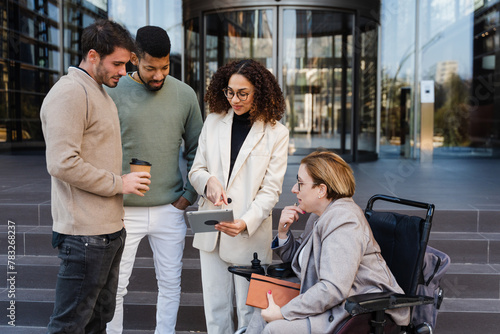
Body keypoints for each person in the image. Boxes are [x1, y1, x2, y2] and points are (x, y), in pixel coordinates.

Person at [40, 19, 151, 333]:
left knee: (96, 323)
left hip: (107, 232)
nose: (122, 71)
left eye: (125, 63)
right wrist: (120, 183)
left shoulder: (98, 91)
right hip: (84, 237)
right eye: (116, 63)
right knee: (69, 326)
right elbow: (62, 163)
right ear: (92, 56)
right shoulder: (71, 93)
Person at [245, 151, 410, 334]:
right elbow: (303, 260)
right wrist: (283, 233)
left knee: (274, 329)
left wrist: (283, 313)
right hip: (332, 303)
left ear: (322, 190)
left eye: (300, 183)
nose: (294, 189)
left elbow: (333, 289)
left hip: (356, 310)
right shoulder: (319, 215)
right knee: (262, 313)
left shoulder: (344, 220)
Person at [105, 26, 203, 334]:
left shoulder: (185, 95)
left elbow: (198, 148)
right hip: (123, 209)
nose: (158, 74)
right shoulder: (112, 91)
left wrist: (189, 194)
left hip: (170, 208)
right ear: (135, 59)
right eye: (150, 68)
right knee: (116, 287)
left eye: (164, 67)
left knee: (170, 284)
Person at [188, 59, 289, 333]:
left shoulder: (276, 133)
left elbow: (271, 191)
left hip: (249, 233)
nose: (235, 99)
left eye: (242, 93)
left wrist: (245, 222)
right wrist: (208, 181)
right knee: (216, 311)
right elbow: (196, 169)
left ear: (259, 91)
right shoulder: (213, 122)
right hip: (211, 230)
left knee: (249, 313)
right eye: (229, 92)